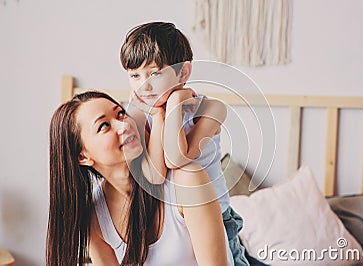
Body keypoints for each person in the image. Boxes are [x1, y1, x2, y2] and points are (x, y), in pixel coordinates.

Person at [46, 91, 233, 265]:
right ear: (83, 156)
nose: (124, 125)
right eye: (104, 126)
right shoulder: (95, 219)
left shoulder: (187, 181)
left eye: (120, 114)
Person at [120, 21, 250, 266]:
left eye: (154, 73)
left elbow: (177, 158)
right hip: (168, 224)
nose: (143, 85)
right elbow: (155, 174)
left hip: (216, 221)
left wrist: (175, 105)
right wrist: (159, 115)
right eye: (134, 75)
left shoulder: (211, 109)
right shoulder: (136, 115)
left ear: (183, 73)